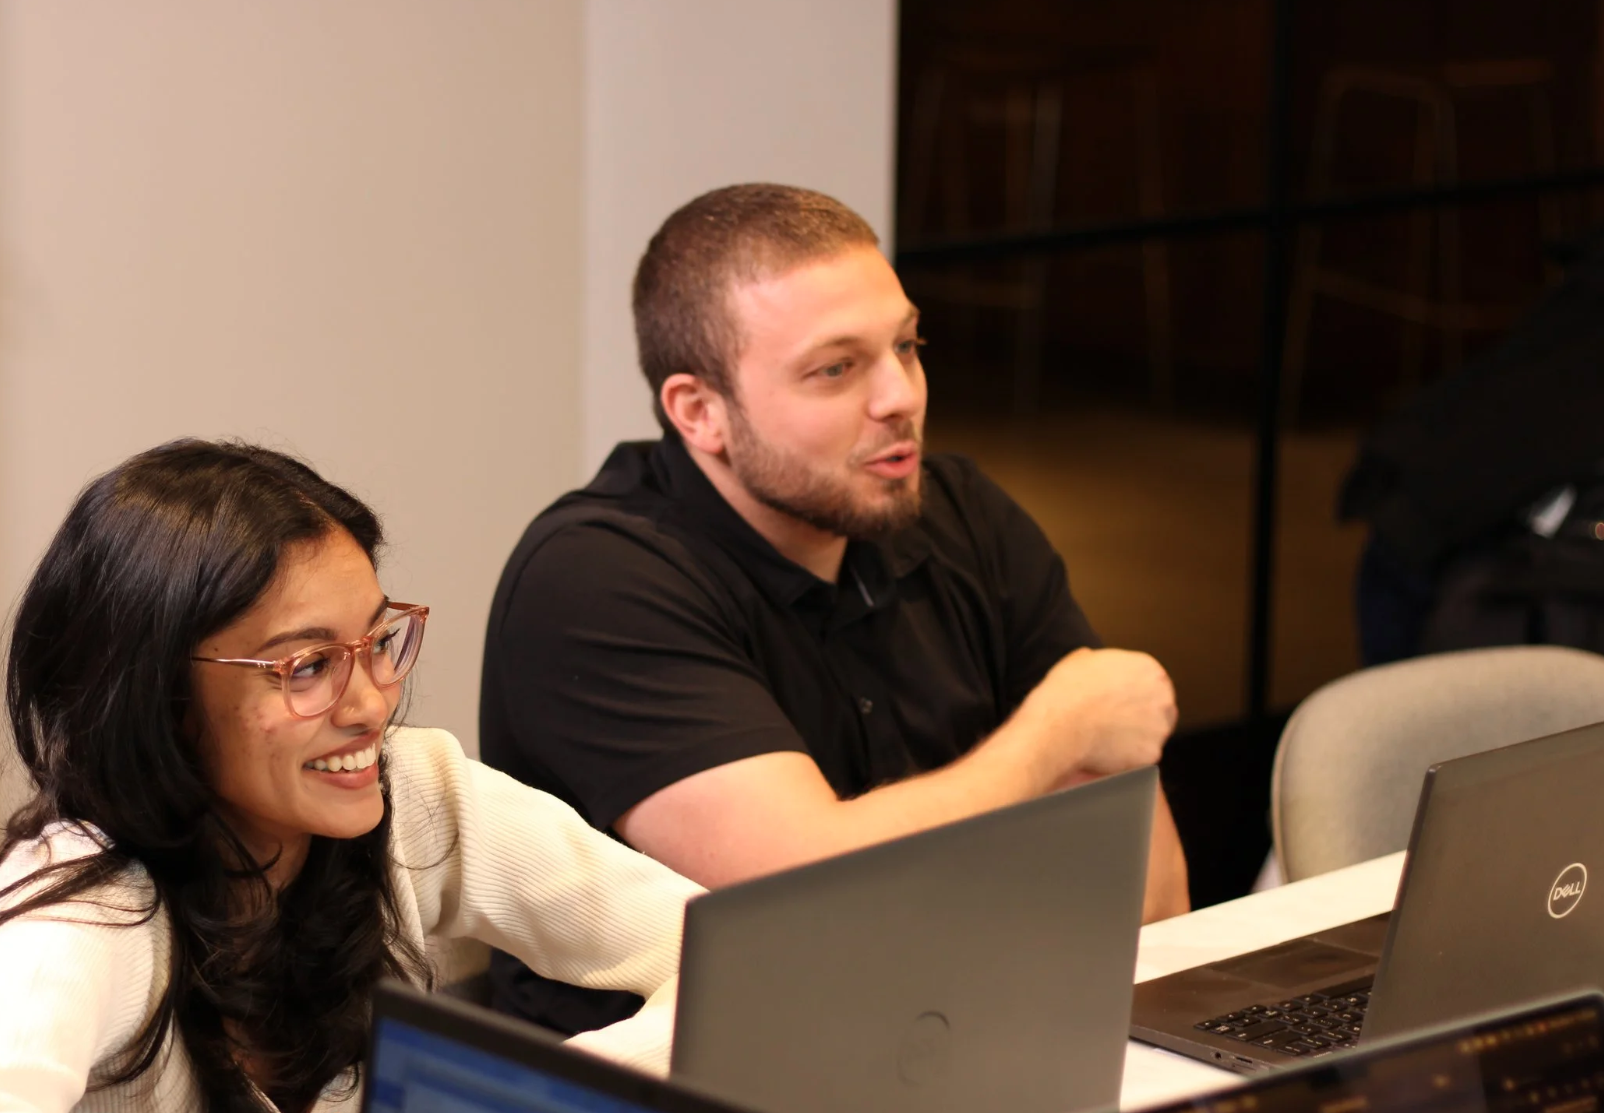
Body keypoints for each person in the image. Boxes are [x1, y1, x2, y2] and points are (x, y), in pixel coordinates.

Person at [0, 441, 701, 1113]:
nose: (371, 704)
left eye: (378, 641)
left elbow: (737, 972)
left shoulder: (412, 791)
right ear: (158, 697)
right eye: (307, 667)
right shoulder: (87, 898)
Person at [481, 183, 1189, 1034]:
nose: (901, 397)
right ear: (700, 412)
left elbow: (1149, 896)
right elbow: (808, 886)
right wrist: (1056, 734)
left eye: (907, 346)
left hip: (953, 1028)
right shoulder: (597, 579)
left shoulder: (960, 509)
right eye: (837, 369)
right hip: (671, 1103)